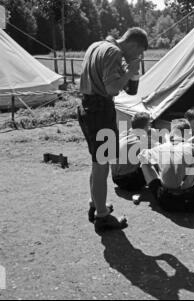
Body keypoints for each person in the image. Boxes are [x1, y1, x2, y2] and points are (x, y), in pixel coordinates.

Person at [78, 27, 148, 231]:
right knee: (102, 166)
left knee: (97, 163)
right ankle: (102, 216)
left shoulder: (96, 45)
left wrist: (124, 74)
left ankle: (96, 204)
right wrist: (130, 72)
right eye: (140, 51)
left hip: (87, 108)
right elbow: (112, 89)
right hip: (100, 111)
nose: (139, 56)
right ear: (134, 44)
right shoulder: (114, 52)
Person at [138, 119, 194, 212]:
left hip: (164, 201)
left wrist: (162, 167)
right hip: (188, 202)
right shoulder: (193, 149)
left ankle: (170, 182)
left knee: (144, 164)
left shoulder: (160, 148)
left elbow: (141, 156)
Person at [111, 112, 158, 191]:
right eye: (149, 125)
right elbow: (162, 149)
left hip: (115, 177)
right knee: (154, 160)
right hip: (127, 182)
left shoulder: (125, 133)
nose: (150, 127)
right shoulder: (142, 140)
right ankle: (160, 186)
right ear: (145, 127)